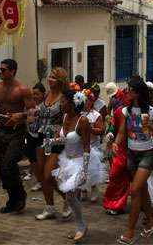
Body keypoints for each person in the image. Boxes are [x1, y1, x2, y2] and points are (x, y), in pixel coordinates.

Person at [113, 75, 153, 245]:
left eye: (129, 90)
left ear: (136, 93)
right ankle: (150, 221)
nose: (126, 92)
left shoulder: (151, 111)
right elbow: (122, 131)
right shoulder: (126, 111)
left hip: (147, 153)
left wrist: (149, 126)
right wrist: (116, 143)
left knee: (134, 191)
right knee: (141, 190)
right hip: (131, 154)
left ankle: (130, 232)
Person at [0, 59, 35, 214]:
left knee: (9, 163)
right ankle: (13, 199)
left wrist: (21, 115)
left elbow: (33, 113)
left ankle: (20, 196)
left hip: (17, 131)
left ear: (13, 71)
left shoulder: (22, 89)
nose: (0, 72)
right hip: (1, 131)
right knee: (2, 168)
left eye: (4, 70)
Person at [52, 90, 91, 242]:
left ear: (72, 103)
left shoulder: (83, 121)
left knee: (70, 195)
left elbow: (87, 146)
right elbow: (65, 140)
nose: (60, 104)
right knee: (71, 196)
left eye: (63, 101)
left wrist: (84, 170)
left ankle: (82, 226)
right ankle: (80, 226)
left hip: (80, 161)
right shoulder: (65, 116)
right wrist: (52, 141)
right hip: (66, 161)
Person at [35, 67, 71, 220]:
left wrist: (62, 131)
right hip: (42, 136)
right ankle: (50, 207)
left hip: (57, 139)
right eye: (50, 76)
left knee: (49, 175)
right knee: (41, 176)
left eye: (54, 78)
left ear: (61, 81)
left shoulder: (64, 97)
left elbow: (69, 118)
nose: (50, 80)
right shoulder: (47, 95)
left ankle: (68, 198)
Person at [102, 91, 130, 215]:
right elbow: (114, 126)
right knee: (114, 175)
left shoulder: (137, 111)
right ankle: (112, 202)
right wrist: (111, 133)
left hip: (134, 147)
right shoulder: (119, 111)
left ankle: (119, 205)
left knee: (124, 178)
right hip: (120, 148)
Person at [82, 88, 107, 202]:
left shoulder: (96, 115)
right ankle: (82, 190)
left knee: (92, 169)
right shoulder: (79, 114)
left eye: (87, 100)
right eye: (84, 100)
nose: (85, 102)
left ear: (91, 101)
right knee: (81, 169)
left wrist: (90, 129)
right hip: (81, 146)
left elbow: (101, 130)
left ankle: (93, 188)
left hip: (93, 146)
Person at [26, 82, 45, 192]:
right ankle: (39, 180)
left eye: (37, 94)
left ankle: (44, 180)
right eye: (33, 94)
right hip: (30, 134)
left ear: (43, 94)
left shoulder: (45, 106)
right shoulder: (30, 106)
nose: (34, 96)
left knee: (41, 160)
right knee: (32, 159)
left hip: (41, 135)